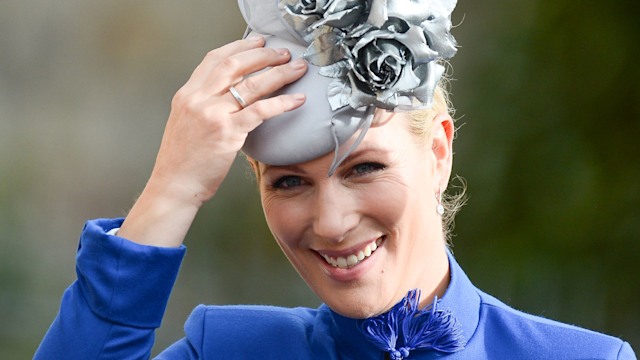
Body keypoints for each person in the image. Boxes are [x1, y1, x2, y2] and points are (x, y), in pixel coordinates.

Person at [35, 0, 636, 359]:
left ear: (437, 153)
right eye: (289, 183)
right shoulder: (227, 350)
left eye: (365, 167)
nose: (330, 221)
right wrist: (172, 188)